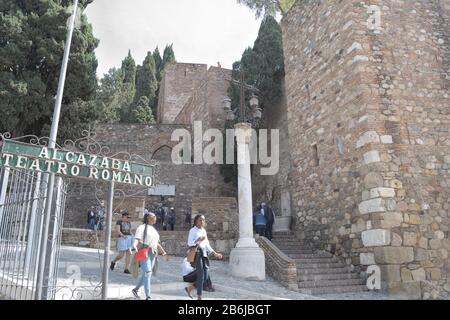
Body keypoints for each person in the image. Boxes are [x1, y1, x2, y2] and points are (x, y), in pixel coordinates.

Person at [131, 212, 169, 300]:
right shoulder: (141, 227)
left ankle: (136, 289)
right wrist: (133, 246)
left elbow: (157, 244)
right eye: (154, 216)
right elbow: (137, 239)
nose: (156, 218)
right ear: (148, 217)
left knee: (146, 273)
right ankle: (148, 296)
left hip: (153, 253)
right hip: (144, 252)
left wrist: (164, 253)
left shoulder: (154, 230)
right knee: (148, 272)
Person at [187, 214, 223, 300]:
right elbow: (189, 243)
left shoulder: (203, 230)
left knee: (206, 275)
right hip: (197, 253)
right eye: (200, 220)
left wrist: (214, 253)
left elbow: (207, 244)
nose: (202, 221)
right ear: (196, 221)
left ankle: (190, 288)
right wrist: (198, 240)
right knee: (201, 275)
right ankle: (199, 296)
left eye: (203, 220)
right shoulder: (193, 230)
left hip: (204, 254)